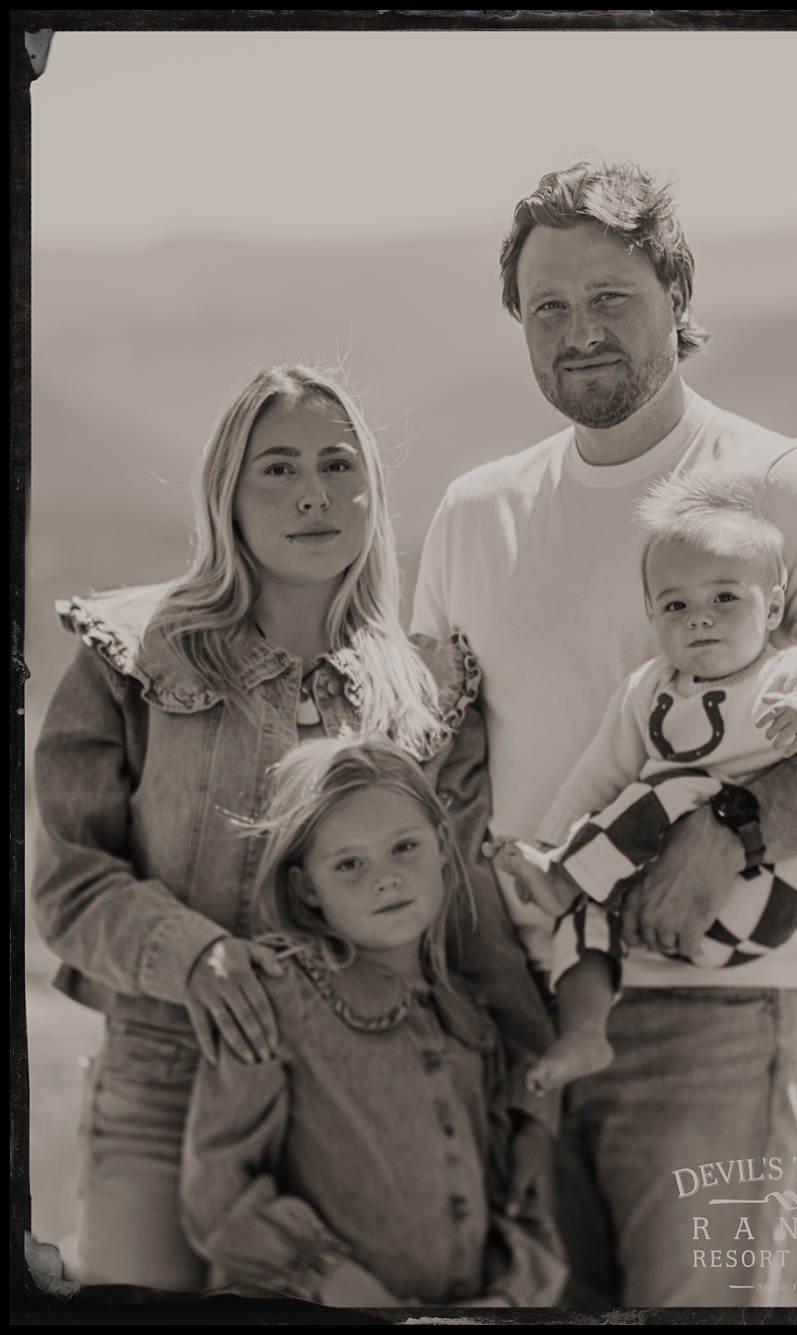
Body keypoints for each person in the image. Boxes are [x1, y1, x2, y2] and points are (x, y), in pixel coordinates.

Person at [411, 159, 797, 1307]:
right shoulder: (474, 510)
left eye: (611, 299)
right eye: (548, 306)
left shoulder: (782, 483)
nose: (578, 331)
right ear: (517, 322)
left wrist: (729, 834)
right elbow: (435, 764)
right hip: (515, 1007)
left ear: (678, 298)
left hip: (721, 1005)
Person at [31, 363, 557, 1293]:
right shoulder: (134, 655)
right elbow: (72, 887)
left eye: (337, 463)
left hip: (372, 1105)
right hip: (170, 1071)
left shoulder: (430, 693)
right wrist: (199, 954)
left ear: (372, 489)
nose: (313, 493)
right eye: (276, 468)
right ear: (225, 495)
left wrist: (525, 1102)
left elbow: (468, 913)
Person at [490, 470, 797, 1096]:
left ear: (773, 607)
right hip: (670, 908)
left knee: (677, 790)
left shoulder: (789, 675)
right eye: (676, 605)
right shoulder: (651, 691)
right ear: (652, 614)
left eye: (725, 598)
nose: (700, 618)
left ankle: (566, 878)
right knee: (588, 911)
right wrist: (555, 844)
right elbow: (598, 776)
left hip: (771, 888)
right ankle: (586, 1030)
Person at [180, 736, 567, 1308]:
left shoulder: (471, 1020)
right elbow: (219, 1194)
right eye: (349, 864)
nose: (384, 879)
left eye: (404, 847)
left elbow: (517, 1201)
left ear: (441, 844)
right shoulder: (278, 1000)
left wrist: (509, 1300)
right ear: (306, 886)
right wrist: (345, 1289)